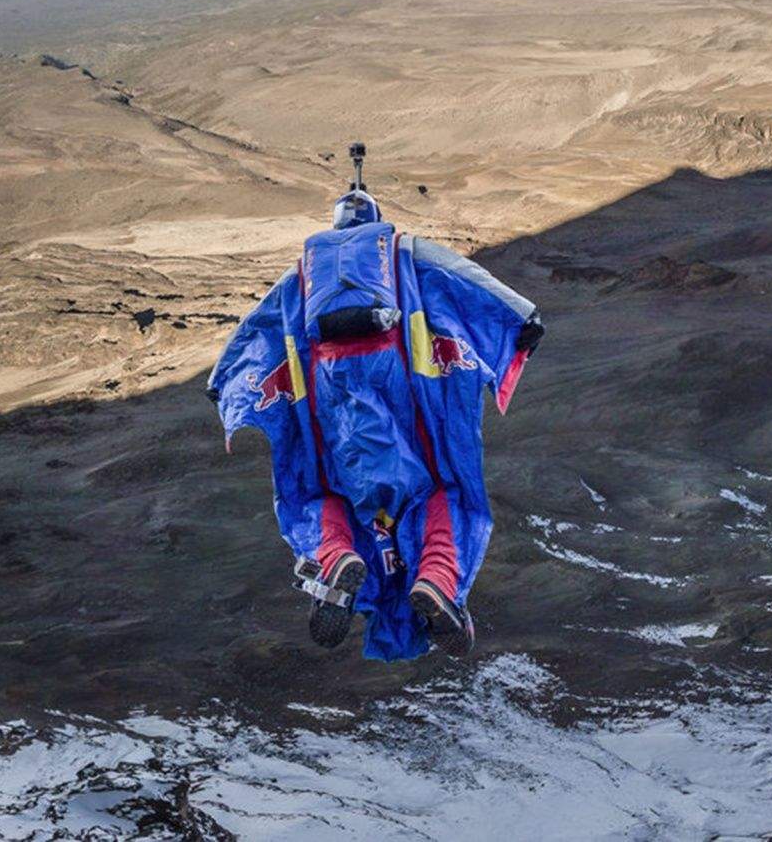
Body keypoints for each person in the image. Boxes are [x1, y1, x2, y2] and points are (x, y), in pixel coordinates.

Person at [207, 146, 543, 660]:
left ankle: (336, 556)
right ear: (377, 218)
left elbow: (256, 329)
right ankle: (437, 579)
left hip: (330, 403)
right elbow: (465, 277)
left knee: (318, 492)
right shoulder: (404, 252)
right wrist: (521, 318)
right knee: (445, 493)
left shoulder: (302, 275)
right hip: (401, 390)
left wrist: (224, 386)